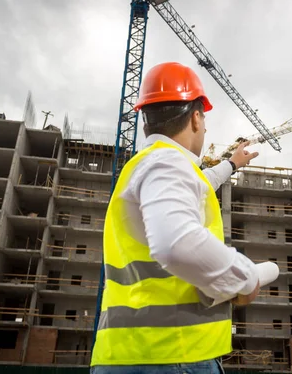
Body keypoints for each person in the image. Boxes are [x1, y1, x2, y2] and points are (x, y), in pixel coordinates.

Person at [90, 62, 261, 374]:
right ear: (195, 118)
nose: (206, 127)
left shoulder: (148, 164)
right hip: (172, 355)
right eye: (204, 118)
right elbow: (176, 243)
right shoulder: (167, 162)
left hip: (132, 353)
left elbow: (197, 186)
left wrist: (231, 164)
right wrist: (244, 278)